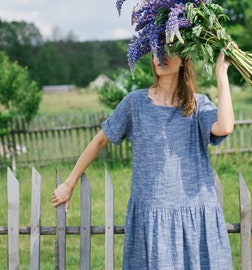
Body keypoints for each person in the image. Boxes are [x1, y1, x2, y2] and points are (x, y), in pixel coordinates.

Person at [52, 51, 234, 269]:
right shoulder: (135, 103)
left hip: (195, 211)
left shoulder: (198, 105)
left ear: (185, 59)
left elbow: (224, 127)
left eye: (169, 50)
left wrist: (221, 73)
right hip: (152, 214)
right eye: (157, 50)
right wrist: (69, 183)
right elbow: (100, 140)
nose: (161, 55)